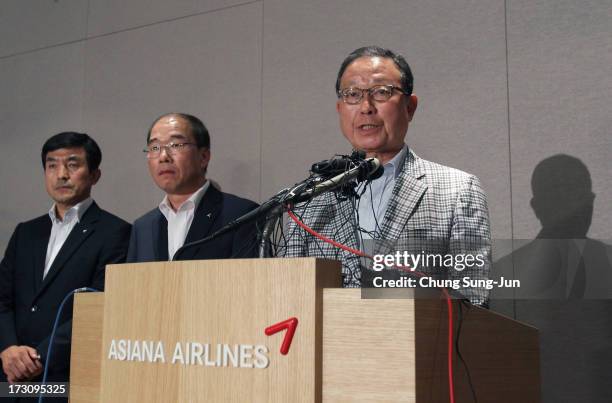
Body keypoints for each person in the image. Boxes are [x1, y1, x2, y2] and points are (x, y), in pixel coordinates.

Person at [284, 46, 491, 306]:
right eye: (353, 95)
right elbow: (287, 295)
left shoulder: (458, 190)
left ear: (410, 106)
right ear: (340, 108)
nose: (366, 107)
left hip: (419, 344)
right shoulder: (310, 198)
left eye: (381, 92)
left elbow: (472, 297)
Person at [0, 132, 131, 393]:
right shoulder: (26, 232)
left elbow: (101, 307)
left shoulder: (116, 232)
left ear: (95, 175)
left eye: (73, 164)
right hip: (9, 374)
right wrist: (8, 348)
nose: (61, 174)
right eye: (52, 165)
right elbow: (2, 299)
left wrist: (37, 358)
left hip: (64, 377)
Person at [127, 113, 259, 262]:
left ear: (203, 157)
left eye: (175, 145)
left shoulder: (242, 215)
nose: (163, 156)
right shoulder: (143, 227)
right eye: (155, 147)